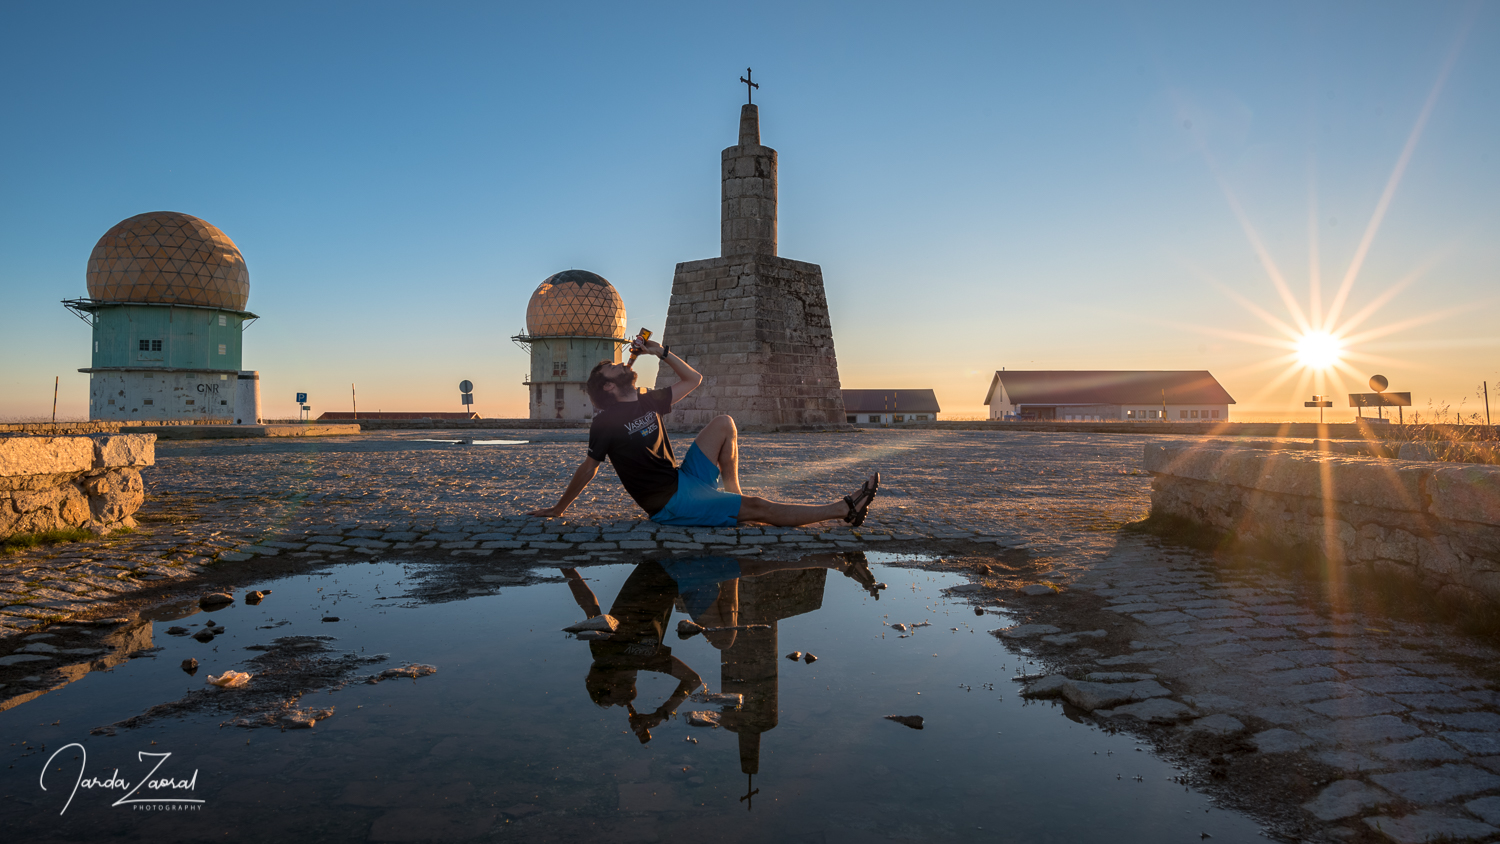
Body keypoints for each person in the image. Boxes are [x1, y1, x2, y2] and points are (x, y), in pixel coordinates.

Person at [528, 336, 878, 528]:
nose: (621, 362)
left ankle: (732, 496)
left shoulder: (647, 401)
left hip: (683, 479)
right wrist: (559, 508)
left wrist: (661, 352)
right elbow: (589, 468)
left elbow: (693, 380)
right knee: (759, 508)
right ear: (606, 387)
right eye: (612, 366)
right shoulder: (605, 421)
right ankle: (845, 509)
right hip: (670, 503)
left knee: (724, 422)